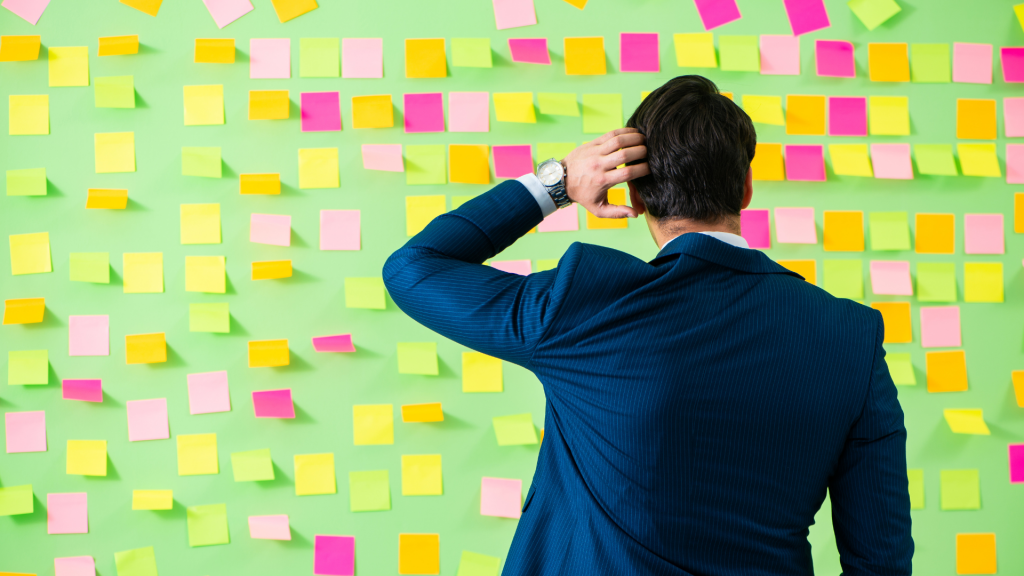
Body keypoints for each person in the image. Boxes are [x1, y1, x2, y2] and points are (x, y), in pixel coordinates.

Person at [383, 75, 913, 576]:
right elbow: (880, 561)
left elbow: (415, 266)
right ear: (747, 187)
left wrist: (558, 183)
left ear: (634, 195)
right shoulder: (852, 336)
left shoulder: (582, 304)